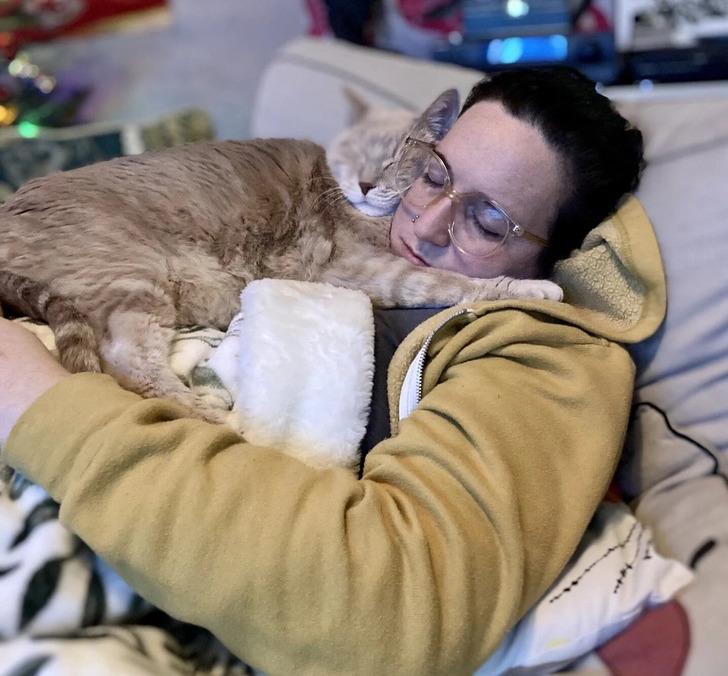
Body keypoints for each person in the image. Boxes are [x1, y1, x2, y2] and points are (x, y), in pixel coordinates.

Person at [0, 67, 665, 674]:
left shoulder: (543, 357)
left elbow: (392, 614)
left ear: (555, 257)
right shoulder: (344, 226)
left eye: (487, 222)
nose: (425, 224)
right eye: (433, 175)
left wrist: (39, 403)